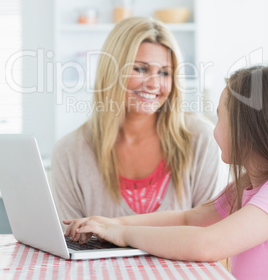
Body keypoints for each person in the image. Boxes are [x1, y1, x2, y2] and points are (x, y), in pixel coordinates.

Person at [64, 66, 268, 280]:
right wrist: (114, 224)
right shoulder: (245, 186)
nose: (213, 129)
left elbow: (208, 243)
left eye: (220, 118)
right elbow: (187, 219)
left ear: (245, 129)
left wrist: (125, 234)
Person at [52, 17, 221, 225]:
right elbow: (71, 242)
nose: (153, 84)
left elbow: (210, 235)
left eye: (164, 73)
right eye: (140, 69)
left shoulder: (201, 139)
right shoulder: (69, 152)